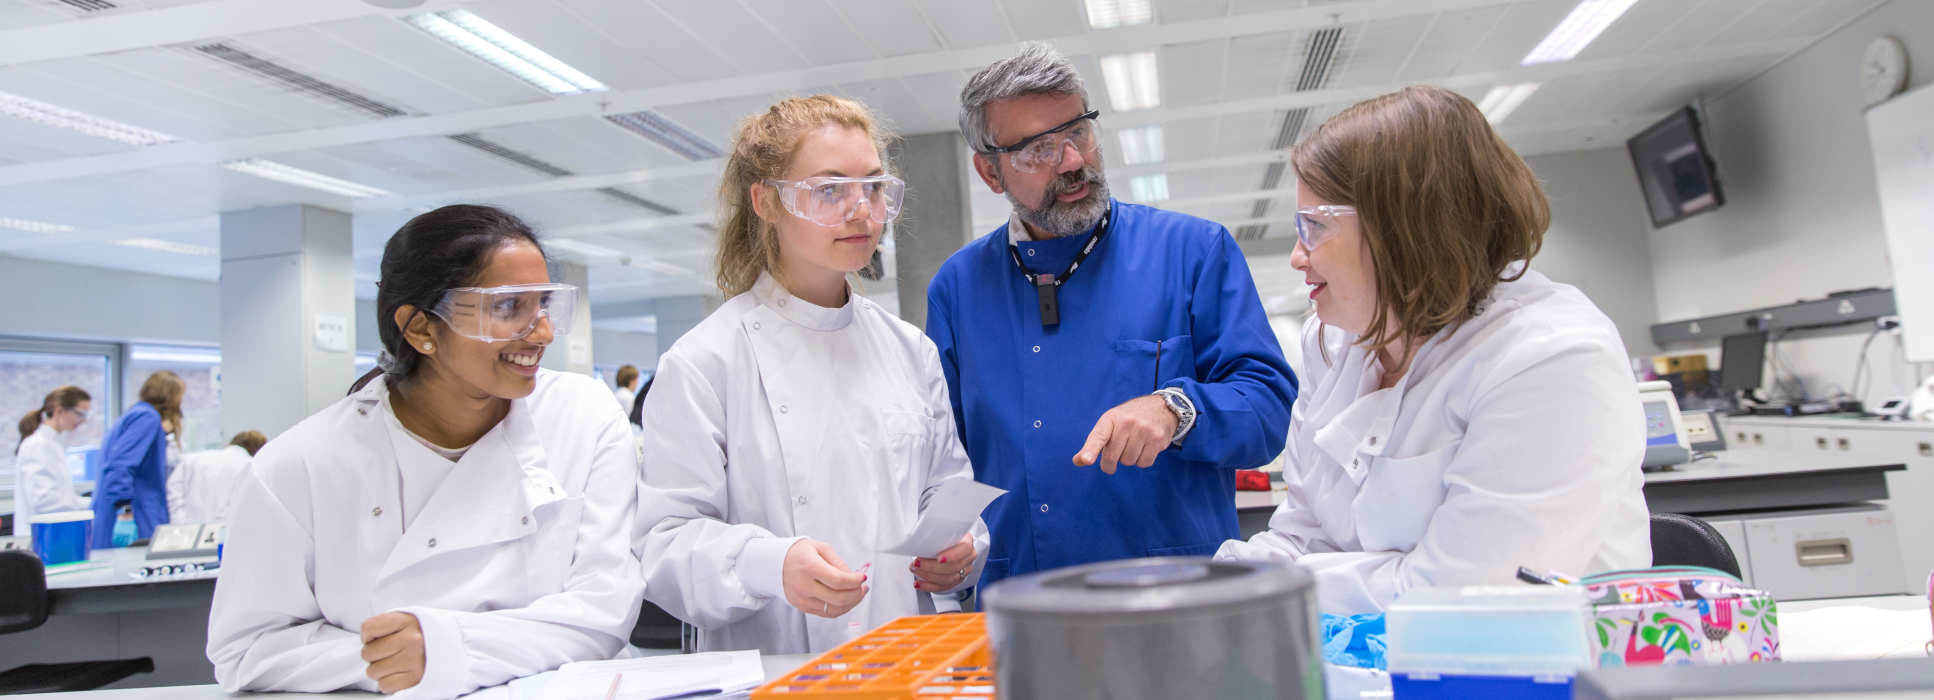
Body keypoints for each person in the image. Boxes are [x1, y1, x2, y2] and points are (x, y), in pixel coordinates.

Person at [1216, 86, 1652, 614]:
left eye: (1316, 227)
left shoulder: (1550, 357)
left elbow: (1463, 599)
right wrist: (1208, 587)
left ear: (1404, 228)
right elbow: (1301, 538)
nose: (1297, 257)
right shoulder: (1334, 341)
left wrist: (1262, 590)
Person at [206, 205, 645, 696]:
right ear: (420, 329)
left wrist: (443, 649)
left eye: (543, 304)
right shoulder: (298, 466)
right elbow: (246, 650)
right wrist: (389, 660)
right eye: (507, 307)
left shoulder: (582, 416)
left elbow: (604, 613)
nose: (541, 333)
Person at [928, 43, 1298, 587]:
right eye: (1039, 150)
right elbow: (943, 456)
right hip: (1022, 604)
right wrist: (948, 546)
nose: (1073, 162)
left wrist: (1178, 409)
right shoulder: (958, 288)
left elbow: (1268, 408)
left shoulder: (1192, 252)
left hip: (1176, 595)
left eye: (1078, 132)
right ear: (990, 173)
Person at [637, 95, 987, 655]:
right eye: (829, 190)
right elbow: (664, 547)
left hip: (904, 657)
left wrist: (963, 548)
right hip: (775, 664)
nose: (861, 211)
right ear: (766, 203)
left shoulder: (909, 350)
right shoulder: (706, 361)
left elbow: (944, 489)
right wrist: (770, 565)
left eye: (873, 187)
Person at [89, 371, 184, 548]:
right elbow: (120, 466)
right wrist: (125, 512)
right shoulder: (147, 418)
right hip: (135, 515)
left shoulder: (135, 414)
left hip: (128, 512)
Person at [13, 386, 91, 541]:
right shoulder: (38, 445)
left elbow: (61, 496)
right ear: (59, 411)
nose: (83, 420)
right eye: (79, 414)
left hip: (52, 534)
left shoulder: (53, 444)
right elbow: (45, 501)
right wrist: (91, 506)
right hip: (39, 537)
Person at [166, 430, 267, 524]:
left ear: (229, 443)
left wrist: (180, 522)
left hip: (186, 534)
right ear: (259, 452)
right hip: (224, 535)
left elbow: (172, 489)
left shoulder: (192, 459)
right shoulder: (250, 466)